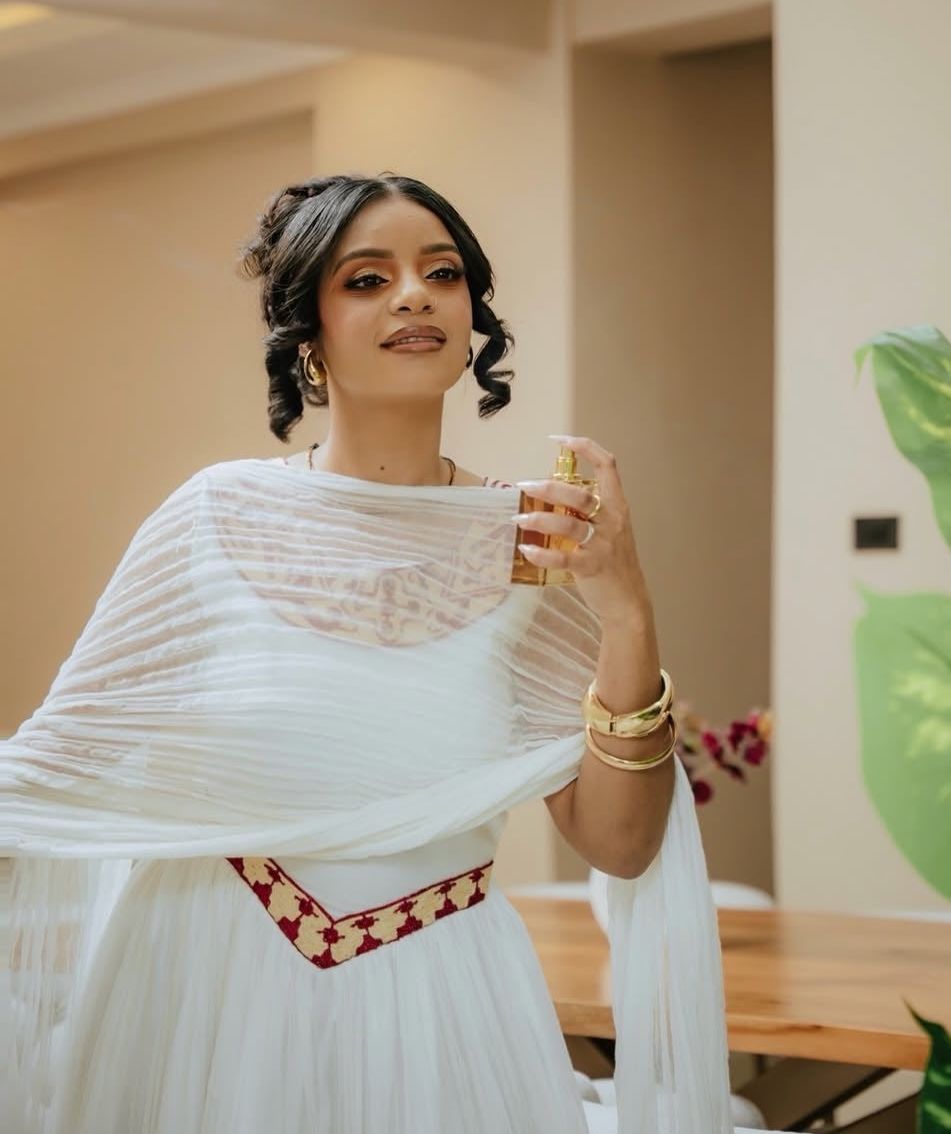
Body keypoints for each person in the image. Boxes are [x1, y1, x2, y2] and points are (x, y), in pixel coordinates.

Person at [3, 175, 733, 1134]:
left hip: (442, 1001)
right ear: (307, 332)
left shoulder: (527, 543)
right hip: (208, 990)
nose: (414, 296)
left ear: (472, 321)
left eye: (443, 273)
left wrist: (628, 610)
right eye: (367, 279)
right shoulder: (214, 516)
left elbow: (621, 844)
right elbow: (47, 774)